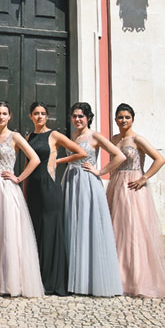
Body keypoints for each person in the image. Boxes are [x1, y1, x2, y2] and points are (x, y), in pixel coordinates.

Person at [106, 103, 165, 298]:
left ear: (133, 119)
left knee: (133, 230)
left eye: (127, 117)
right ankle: (118, 277)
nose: (123, 120)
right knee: (117, 229)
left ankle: (136, 280)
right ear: (115, 119)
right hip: (116, 185)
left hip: (133, 186)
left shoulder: (137, 139)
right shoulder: (114, 139)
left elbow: (159, 159)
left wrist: (144, 178)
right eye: (120, 117)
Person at [63, 102, 124, 297]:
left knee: (87, 227)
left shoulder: (95, 136)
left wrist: (101, 171)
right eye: (74, 116)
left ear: (88, 118)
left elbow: (119, 156)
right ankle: (74, 279)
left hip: (88, 183)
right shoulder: (72, 136)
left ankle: (91, 281)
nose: (77, 119)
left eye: (81, 116)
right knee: (73, 226)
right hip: (70, 182)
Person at [25, 101, 86, 295]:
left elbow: (81, 152)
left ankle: (54, 281)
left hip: (49, 186)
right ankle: (39, 278)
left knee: (51, 230)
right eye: (36, 113)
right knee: (36, 230)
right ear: (30, 116)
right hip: (32, 187)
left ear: (47, 116)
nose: (40, 116)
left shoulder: (55, 135)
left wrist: (59, 160)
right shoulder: (29, 137)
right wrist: (24, 189)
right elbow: (27, 163)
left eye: (43, 113)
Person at [0, 101, 43, 297]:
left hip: (6, 186)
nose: (1, 117)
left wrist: (18, 178)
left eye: (4, 114)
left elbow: (34, 159)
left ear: (9, 116)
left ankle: (9, 282)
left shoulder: (15, 137)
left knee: (7, 229)